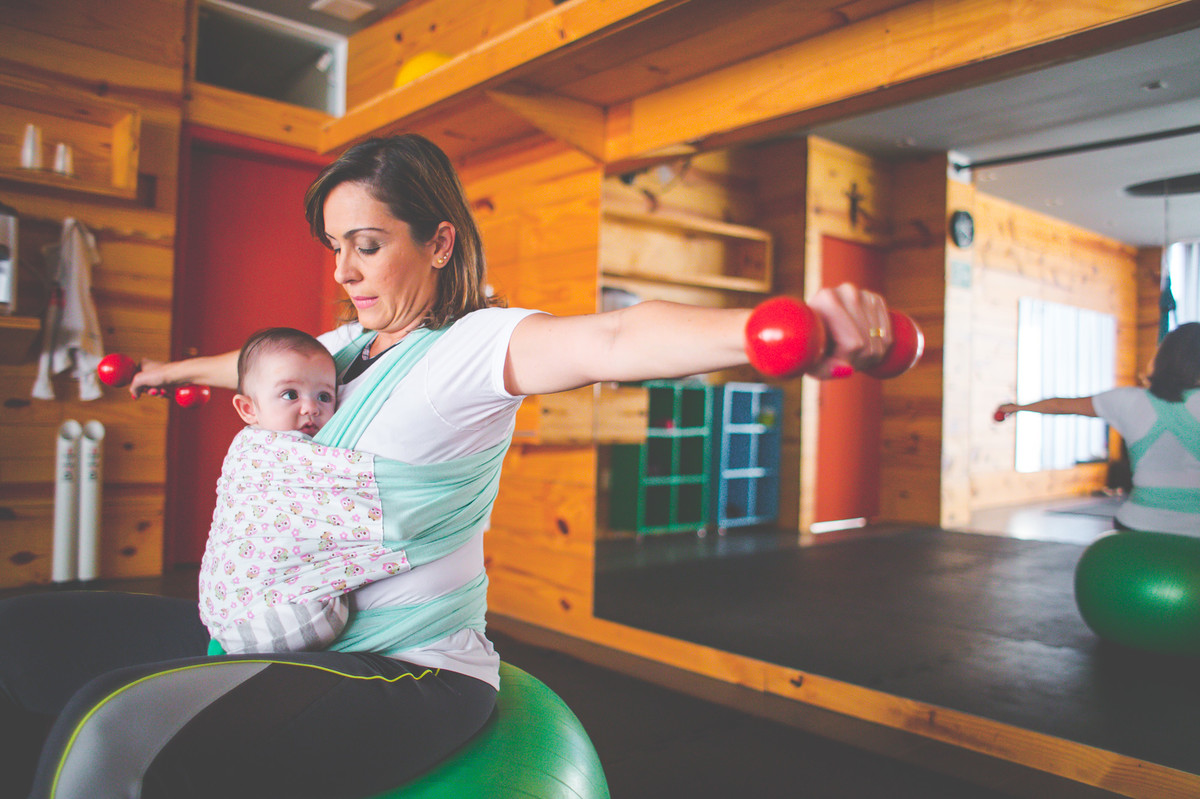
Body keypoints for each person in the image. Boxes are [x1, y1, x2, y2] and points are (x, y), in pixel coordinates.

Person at [0, 133, 897, 799]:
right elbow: (254, 364)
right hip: (296, 634)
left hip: (406, 671)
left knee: (106, 727)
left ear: (438, 242)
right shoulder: (341, 347)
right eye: (334, 247)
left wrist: (775, 329)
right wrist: (168, 372)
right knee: (24, 633)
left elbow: (616, 337)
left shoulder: (473, 346)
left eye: (367, 243)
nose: (345, 270)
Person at [201, 326, 376, 655]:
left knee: (329, 613)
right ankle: (231, 646)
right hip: (245, 580)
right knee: (325, 617)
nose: (310, 408)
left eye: (324, 397)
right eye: (290, 395)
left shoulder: (321, 448)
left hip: (285, 581)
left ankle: (230, 647)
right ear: (249, 410)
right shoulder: (255, 451)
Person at [995, 321, 1200, 535]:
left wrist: (1017, 408)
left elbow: (1060, 405)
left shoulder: (1127, 401)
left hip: (1137, 525)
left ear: (1162, 358)